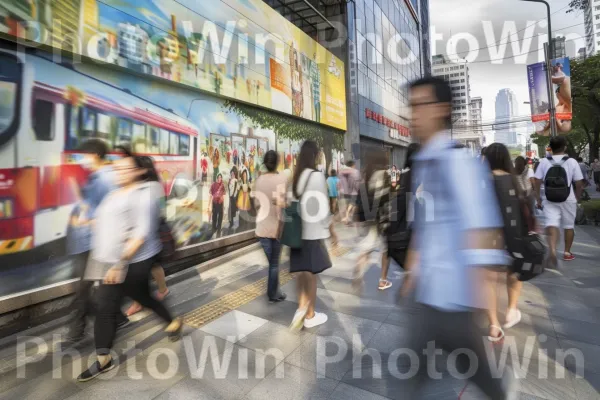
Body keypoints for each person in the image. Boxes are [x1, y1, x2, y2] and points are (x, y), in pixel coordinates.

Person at [400, 76, 512, 398]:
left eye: (419, 105)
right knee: (412, 377)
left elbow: (481, 228)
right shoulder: (423, 161)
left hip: (455, 302)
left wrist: (481, 302)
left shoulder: (455, 160)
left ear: (441, 109)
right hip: (428, 295)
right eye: (411, 106)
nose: (413, 114)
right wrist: (412, 271)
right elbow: (424, 226)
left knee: (484, 380)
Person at [77, 153, 182, 382]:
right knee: (112, 304)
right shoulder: (113, 195)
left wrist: (119, 264)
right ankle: (104, 359)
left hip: (133, 262)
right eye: (117, 169)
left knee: (137, 299)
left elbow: (141, 234)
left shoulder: (142, 196)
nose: (119, 172)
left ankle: (171, 321)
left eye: (125, 169)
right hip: (110, 261)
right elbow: (105, 224)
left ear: (138, 172)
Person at [64, 139, 129, 346]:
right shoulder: (96, 177)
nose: (82, 160)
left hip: (95, 242)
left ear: (95, 155)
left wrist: (86, 219)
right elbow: (88, 205)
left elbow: (108, 212)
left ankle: (77, 330)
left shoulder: (106, 179)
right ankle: (117, 317)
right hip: (89, 241)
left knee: (83, 288)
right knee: (91, 287)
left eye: (85, 156)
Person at [483, 144, 533, 342]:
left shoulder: (482, 181)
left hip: (487, 237)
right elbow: (526, 208)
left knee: (489, 282)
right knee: (514, 274)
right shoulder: (514, 180)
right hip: (514, 236)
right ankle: (511, 309)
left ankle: (494, 325)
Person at [289, 141, 335, 331]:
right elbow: (323, 207)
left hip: (296, 232)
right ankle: (310, 315)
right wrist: (331, 231)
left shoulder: (296, 176)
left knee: (302, 270)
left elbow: (289, 204)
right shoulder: (317, 177)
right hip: (312, 231)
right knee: (311, 273)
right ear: (315, 156)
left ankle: (301, 307)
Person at [122, 153, 171, 317]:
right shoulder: (155, 184)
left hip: (147, 235)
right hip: (151, 235)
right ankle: (162, 290)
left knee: (139, 271)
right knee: (153, 266)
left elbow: (156, 211)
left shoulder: (149, 187)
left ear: (142, 170)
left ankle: (139, 302)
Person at [534, 136, 584, 265]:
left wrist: (538, 197)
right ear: (565, 147)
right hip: (568, 198)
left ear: (550, 147)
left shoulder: (544, 161)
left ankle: (552, 250)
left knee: (551, 223)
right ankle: (567, 253)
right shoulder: (572, 161)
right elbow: (579, 183)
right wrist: (577, 198)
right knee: (568, 226)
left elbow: (537, 181)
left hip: (549, 198)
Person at [383, 143, 420, 290]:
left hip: (396, 229)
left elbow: (392, 196)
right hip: (409, 231)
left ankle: (384, 278)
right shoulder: (418, 177)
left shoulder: (399, 175)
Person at [353, 149, 391, 290]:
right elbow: (387, 197)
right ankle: (383, 280)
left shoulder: (365, 174)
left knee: (367, 245)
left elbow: (359, 196)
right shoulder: (384, 174)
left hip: (365, 216)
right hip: (379, 217)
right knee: (385, 249)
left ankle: (360, 267)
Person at [254, 151, 287, 303]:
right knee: (274, 264)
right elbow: (281, 205)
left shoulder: (259, 180)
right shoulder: (281, 179)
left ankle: (276, 292)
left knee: (272, 264)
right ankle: (273, 294)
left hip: (261, 228)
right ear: (277, 163)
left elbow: (255, 204)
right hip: (276, 228)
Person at [339, 160, 359, 224]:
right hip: (353, 192)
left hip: (344, 192)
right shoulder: (355, 171)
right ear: (353, 165)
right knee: (353, 204)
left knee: (348, 205)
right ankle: (348, 217)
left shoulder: (341, 171)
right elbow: (356, 182)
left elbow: (339, 182)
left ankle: (347, 218)